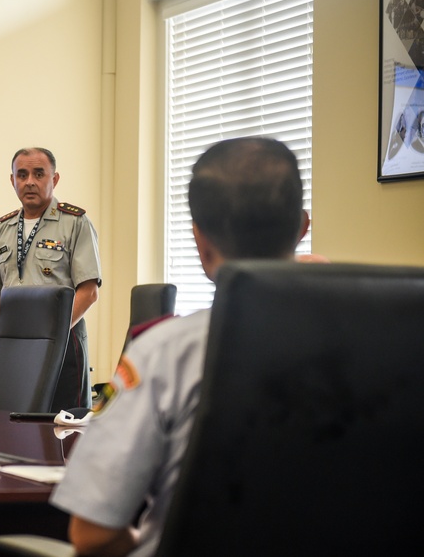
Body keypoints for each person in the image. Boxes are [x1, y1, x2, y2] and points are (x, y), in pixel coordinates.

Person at [50, 137, 311, 557]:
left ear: (200, 240)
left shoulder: (159, 353)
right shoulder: (385, 345)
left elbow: (92, 536)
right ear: (302, 227)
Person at [0, 147, 103, 411]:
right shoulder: (4, 228)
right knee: (12, 424)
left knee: (63, 429)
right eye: (21, 175)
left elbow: (89, 290)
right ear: (12, 180)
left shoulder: (75, 223)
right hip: (15, 345)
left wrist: (52, 337)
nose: (30, 182)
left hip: (63, 343)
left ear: (54, 179)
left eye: (38, 174)